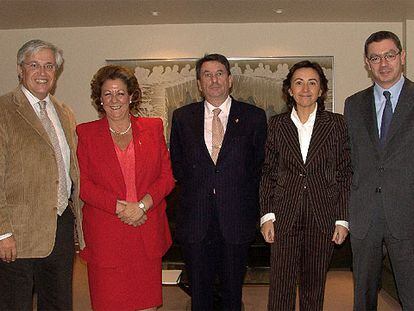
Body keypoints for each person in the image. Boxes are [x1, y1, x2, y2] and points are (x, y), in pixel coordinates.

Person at [169, 53, 267, 310]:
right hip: (195, 219)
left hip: (236, 219)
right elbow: (177, 165)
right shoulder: (182, 117)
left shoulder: (253, 117)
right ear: (199, 83)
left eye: (219, 73)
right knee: (199, 294)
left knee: (232, 293)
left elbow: (259, 167)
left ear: (230, 79)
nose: (214, 80)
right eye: (207, 75)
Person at [76, 65, 175, 311]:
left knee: (146, 305)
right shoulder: (86, 133)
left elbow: (166, 177)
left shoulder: (153, 128)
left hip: (145, 229)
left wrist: (141, 206)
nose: (114, 100)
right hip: (106, 234)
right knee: (110, 304)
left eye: (120, 93)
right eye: (107, 94)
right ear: (99, 99)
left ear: (131, 96)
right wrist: (121, 208)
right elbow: (84, 185)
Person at [260, 60, 352, 310]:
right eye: (298, 82)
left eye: (313, 82)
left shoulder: (336, 124)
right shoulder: (277, 124)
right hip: (284, 218)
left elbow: (345, 173)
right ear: (289, 90)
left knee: (313, 289)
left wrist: (342, 219)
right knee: (281, 288)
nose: (305, 88)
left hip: (322, 217)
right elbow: (268, 172)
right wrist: (267, 216)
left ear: (321, 90)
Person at [0, 39, 84, 310]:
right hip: (17, 234)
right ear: (20, 69)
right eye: (34, 65)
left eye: (49, 66)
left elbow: (71, 171)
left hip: (60, 227)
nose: (43, 72)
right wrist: (2, 233)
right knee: (15, 303)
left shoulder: (64, 112)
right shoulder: (3, 110)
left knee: (59, 303)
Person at [344, 30, 414, 310]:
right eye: (375, 58)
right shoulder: (353, 104)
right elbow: (348, 159)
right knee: (363, 296)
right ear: (366, 63)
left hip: (407, 213)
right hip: (364, 215)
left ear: (402, 57)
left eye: (390, 55)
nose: (383, 63)